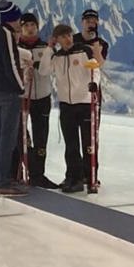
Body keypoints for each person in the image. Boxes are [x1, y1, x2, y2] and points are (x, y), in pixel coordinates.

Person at [50, 24, 104, 194]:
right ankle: (74, 177)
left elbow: (95, 69)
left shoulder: (84, 51)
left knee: (89, 144)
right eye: (63, 36)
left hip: (85, 104)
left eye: (69, 35)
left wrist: (94, 83)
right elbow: (44, 70)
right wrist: (48, 48)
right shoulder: (56, 57)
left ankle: (90, 176)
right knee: (71, 145)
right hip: (66, 105)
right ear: (57, 39)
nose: (67, 39)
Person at [0, 0, 29, 197]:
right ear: (12, 19)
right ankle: (4, 182)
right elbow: (11, 64)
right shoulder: (6, 36)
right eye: (18, 18)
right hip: (7, 93)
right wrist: (21, 87)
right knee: (7, 139)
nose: (20, 22)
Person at [18, 13, 58, 188]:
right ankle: (24, 169)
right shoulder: (15, 48)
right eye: (26, 25)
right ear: (21, 28)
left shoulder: (45, 47)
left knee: (41, 138)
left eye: (33, 25)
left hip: (42, 98)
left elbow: (53, 68)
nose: (30, 28)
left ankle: (38, 174)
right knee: (22, 137)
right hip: (22, 98)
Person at [73, 8, 109, 183]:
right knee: (72, 138)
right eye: (87, 20)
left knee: (91, 137)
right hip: (73, 93)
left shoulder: (102, 44)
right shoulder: (72, 41)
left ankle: (91, 174)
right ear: (82, 22)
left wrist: (95, 50)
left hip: (92, 95)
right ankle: (75, 174)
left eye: (94, 20)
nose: (90, 23)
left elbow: (98, 64)